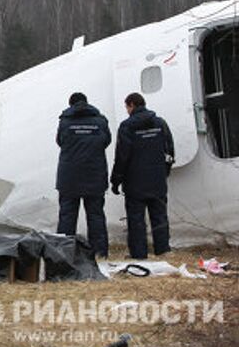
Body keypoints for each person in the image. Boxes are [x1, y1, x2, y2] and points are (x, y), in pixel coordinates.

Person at [111, 92, 175, 259]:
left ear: (132, 105)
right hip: (157, 179)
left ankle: (139, 254)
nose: (126, 110)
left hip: (134, 182)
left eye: (127, 107)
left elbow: (122, 156)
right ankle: (163, 250)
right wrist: (164, 171)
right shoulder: (160, 124)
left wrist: (116, 180)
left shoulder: (126, 127)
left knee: (136, 220)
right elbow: (169, 150)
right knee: (160, 217)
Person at [55, 92, 112, 257]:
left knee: (67, 216)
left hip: (69, 177)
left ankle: (65, 253)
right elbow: (106, 141)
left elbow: (60, 141)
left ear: (71, 105)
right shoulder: (100, 121)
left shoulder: (65, 122)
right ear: (87, 103)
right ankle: (100, 252)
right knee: (96, 216)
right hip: (94, 175)